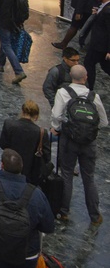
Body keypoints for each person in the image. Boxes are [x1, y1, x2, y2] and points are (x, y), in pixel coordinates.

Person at [51, 64, 108, 224]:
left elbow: (56, 115)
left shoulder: (63, 93)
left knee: (67, 174)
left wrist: (56, 128)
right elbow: (103, 122)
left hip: (69, 140)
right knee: (89, 178)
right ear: (86, 77)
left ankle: (64, 212)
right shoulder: (93, 96)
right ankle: (95, 215)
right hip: (89, 142)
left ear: (70, 76)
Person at [0, 101, 49, 187]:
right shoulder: (41, 133)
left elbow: (3, 145)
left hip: (9, 169)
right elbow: (47, 157)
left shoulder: (9, 125)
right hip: (29, 176)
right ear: (36, 116)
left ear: (22, 112)